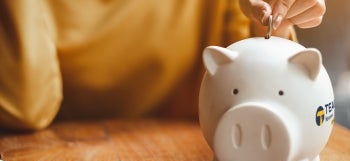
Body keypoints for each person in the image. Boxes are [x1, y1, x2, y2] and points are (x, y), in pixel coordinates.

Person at [0, 0, 326, 131]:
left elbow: (269, 103)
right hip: (60, 149)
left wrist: (276, 22)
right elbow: (25, 105)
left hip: (194, 150)